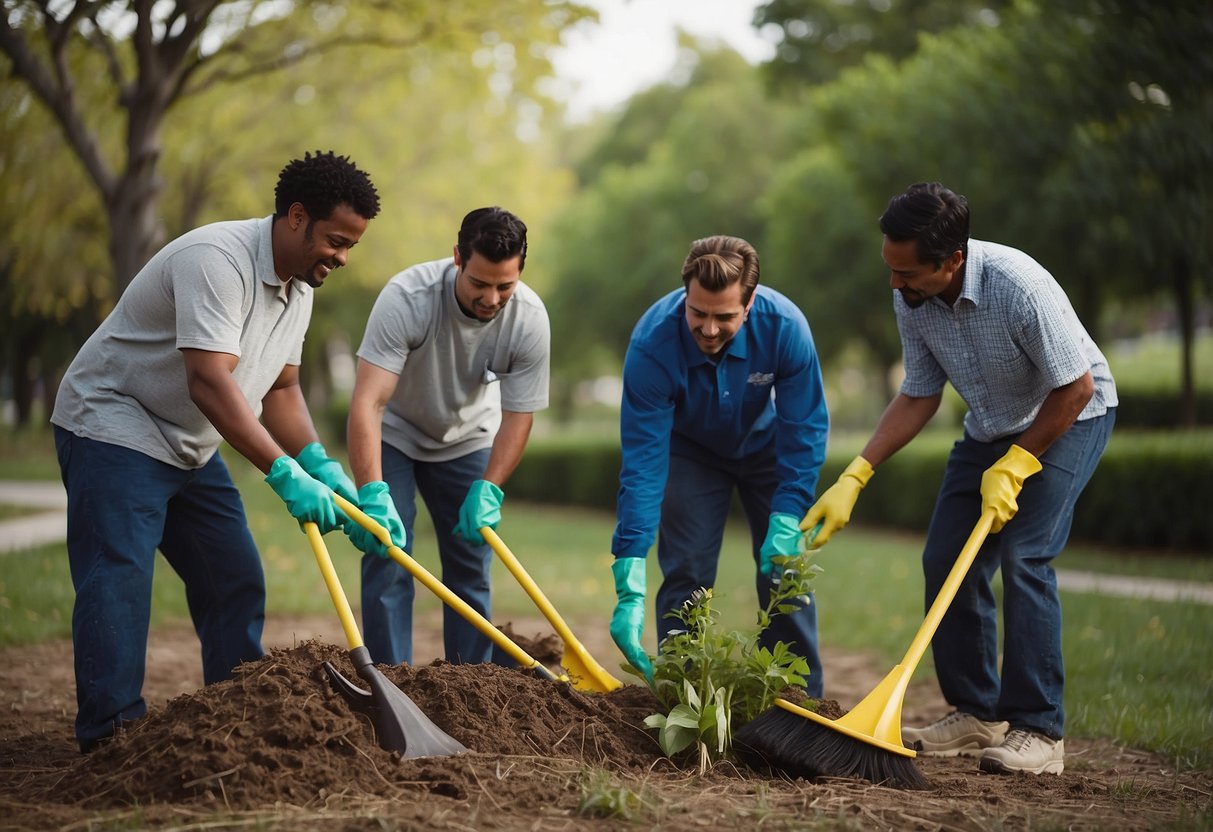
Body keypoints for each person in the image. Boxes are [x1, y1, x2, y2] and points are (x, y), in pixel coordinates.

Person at [51, 150, 381, 752]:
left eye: (350, 245)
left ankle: (235, 721)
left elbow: (280, 388)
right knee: (120, 576)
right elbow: (209, 380)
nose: (341, 256)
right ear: (296, 216)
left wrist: (321, 466)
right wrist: (282, 471)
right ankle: (111, 738)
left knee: (233, 577)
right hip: (114, 423)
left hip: (187, 442)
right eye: (336, 240)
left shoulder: (298, 288)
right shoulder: (216, 260)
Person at [803, 182, 1116, 775]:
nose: (895, 284)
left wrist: (1022, 459)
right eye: (891, 269)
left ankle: (1039, 729)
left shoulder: (1017, 285)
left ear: (953, 260)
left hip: (1071, 416)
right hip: (988, 428)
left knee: (1026, 556)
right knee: (946, 557)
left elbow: (1074, 387)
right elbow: (919, 392)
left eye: (908, 272)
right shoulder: (912, 294)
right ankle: (976, 710)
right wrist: (856, 474)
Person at [608, 235, 830, 694]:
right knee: (687, 569)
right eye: (698, 313)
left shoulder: (785, 327)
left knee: (785, 573)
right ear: (685, 296)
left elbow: (804, 427)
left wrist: (789, 511)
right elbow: (643, 462)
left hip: (768, 450)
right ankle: (681, 697)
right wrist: (630, 565)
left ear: (749, 305)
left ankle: (796, 701)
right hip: (690, 453)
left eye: (724, 317)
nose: (708, 329)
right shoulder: (652, 344)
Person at [345, 206, 550, 666]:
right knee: (389, 552)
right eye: (479, 283)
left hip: (468, 438)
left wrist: (490, 488)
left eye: (505, 285)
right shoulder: (407, 297)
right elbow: (368, 402)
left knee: (471, 560)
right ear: (457, 257)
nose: (492, 298)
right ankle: (390, 682)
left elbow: (519, 415)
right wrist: (372, 493)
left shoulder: (530, 320)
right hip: (395, 432)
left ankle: (469, 687)